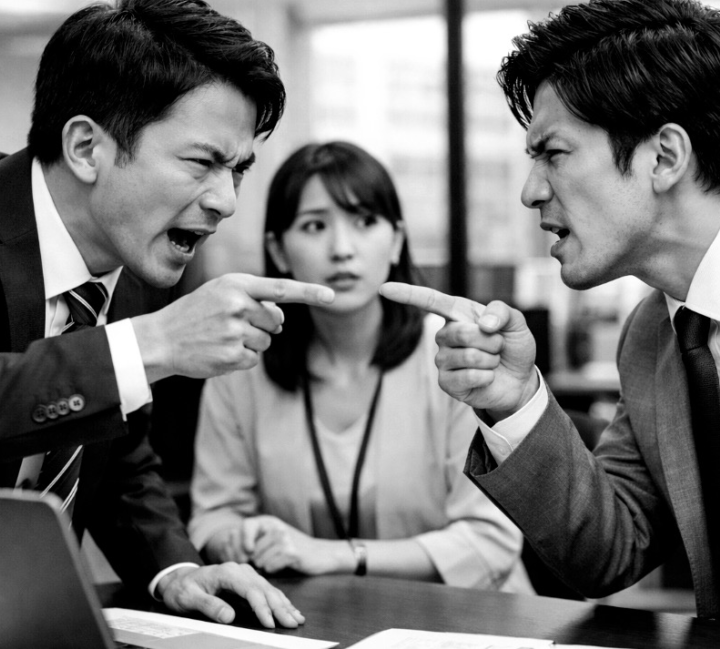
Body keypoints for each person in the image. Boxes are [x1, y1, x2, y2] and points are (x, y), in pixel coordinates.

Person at [379, 0, 720, 643]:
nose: (531, 191)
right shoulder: (650, 339)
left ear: (664, 157)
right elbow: (609, 552)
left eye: (553, 153)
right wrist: (515, 402)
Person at [0, 0, 337, 629]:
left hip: (18, 619)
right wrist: (154, 344)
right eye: (203, 162)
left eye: (239, 170)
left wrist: (175, 569)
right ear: (86, 147)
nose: (225, 201)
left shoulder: (136, 257)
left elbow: (117, 457)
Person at [187, 141, 533, 593]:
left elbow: (490, 541)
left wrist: (333, 556)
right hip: (316, 618)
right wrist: (239, 538)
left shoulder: (454, 356)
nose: (342, 249)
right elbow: (213, 516)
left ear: (397, 241)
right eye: (315, 226)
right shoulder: (243, 363)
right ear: (279, 250)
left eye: (365, 222)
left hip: (471, 616)